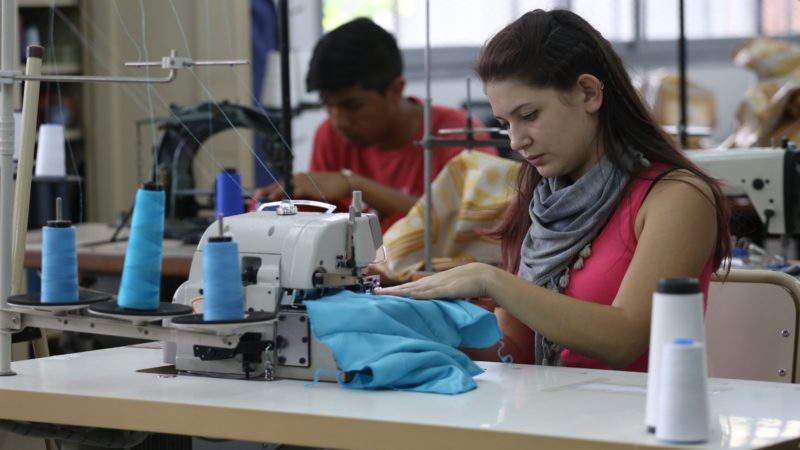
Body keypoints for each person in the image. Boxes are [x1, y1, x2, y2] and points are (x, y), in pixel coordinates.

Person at [376, 9, 731, 371]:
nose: (516, 141)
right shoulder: (543, 205)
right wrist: (414, 324)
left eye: (529, 116)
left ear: (588, 93)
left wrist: (491, 280)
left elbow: (626, 339)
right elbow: (516, 348)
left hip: (640, 407)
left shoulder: (676, 198)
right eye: (505, 123)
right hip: (552, 403)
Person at [253, 18, 496, 231]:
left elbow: (470, 227)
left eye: (353, 106)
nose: (339, 121)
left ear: (395, 90)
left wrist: (353, 184)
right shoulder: (330, 135)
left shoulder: (459, 135)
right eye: (328, 105)